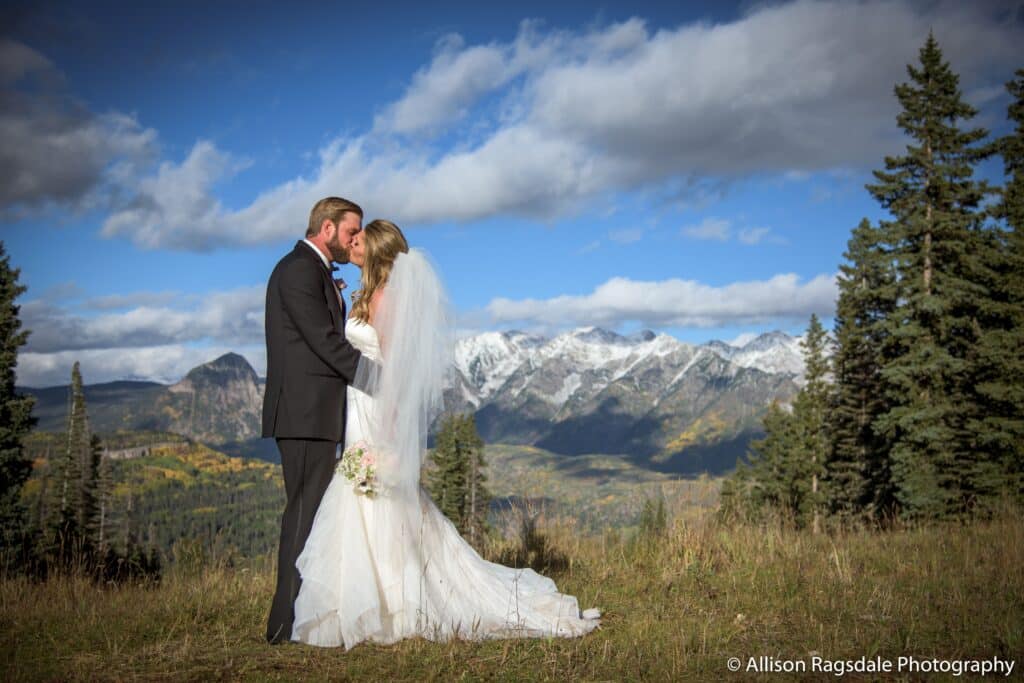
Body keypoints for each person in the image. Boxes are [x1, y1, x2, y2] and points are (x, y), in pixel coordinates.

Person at [291, 219, 601, 649]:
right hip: (357, 408)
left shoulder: (385, 300)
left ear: (377, 252)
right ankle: (366, 598)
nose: (352, 244)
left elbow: (396, 376)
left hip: (377, 413)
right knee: (364, 506)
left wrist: (393, 438)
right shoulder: (367, 295)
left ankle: (393, 601)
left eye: (360, 240)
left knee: (380, 503)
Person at [262, 196, 374, 644]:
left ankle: (301, 615)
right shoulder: (298, 270)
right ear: (327, 229)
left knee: (310, 514)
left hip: (314, 413)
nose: (353, 241)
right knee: (303, 515)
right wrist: (378, 379)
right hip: (304, 414)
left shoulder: (313, 271)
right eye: (351, 232)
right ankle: (282, 624)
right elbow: (324, 341)